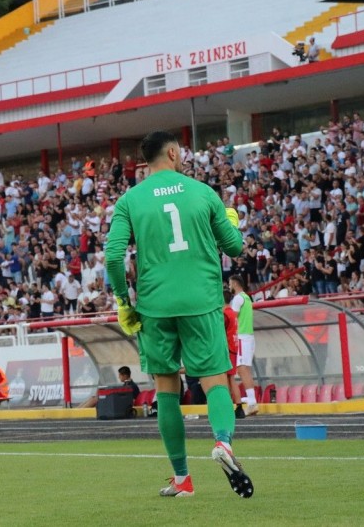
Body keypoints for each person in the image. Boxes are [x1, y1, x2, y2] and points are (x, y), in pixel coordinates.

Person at [105, 130, 253, 499]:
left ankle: (183, 479)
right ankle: (223, 443)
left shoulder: (130, 200)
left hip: (155, 306)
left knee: (166, 389)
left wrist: (125, 301)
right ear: (172, 153)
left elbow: (112, 257)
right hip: (201, 300)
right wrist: (231, 221)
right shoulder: (203, 192)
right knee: (215, 379)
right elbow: (234, 248)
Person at [227, 275, 259, 416]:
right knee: (245, 369)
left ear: (234, 283)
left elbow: (231, 318)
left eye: (230, 283)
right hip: (248, 336)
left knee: (241, 369)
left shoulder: (238, 299)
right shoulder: (247, 298)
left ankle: (252, 403)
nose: (229, 286)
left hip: (241, 336)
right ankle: (251, 401)